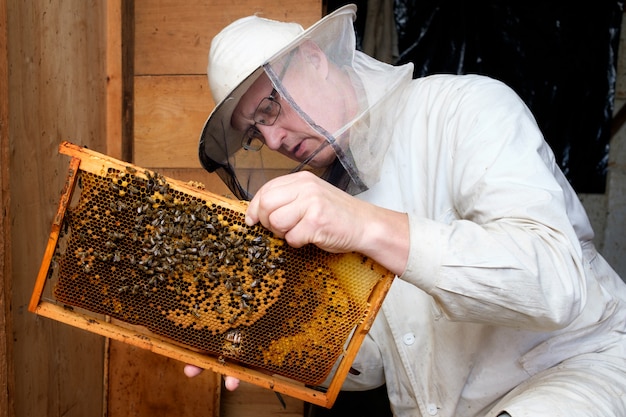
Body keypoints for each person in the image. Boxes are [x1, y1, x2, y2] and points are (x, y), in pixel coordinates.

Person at [184, 4, 626, 416]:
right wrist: (273, 339)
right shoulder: (330, 196)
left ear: (315, 59)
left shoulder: (466, 109)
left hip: (578, 371)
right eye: (256, 135)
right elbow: (380, 359)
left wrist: (367, 227)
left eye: (269, 108)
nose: (275, 141)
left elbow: (554, 283)